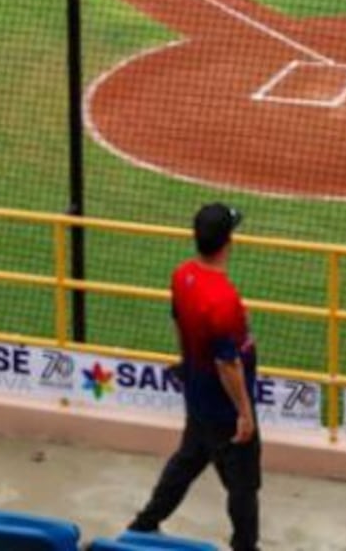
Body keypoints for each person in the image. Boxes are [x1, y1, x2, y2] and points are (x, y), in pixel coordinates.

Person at [129, 200, 260, 551]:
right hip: (224, 409)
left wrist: (187, 363)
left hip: (198, 395)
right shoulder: (223, 299)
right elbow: (227, 363)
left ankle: (143, 525)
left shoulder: (182, 276)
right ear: (228, 241)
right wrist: (244, 413)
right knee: (243, 486)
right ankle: (245, 547)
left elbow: (179, 322)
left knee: (187, 461)